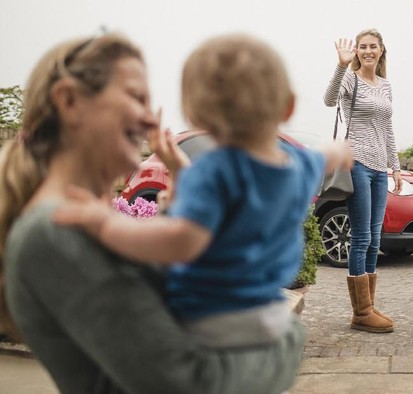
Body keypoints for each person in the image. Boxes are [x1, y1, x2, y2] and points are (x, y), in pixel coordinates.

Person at [0, 32, 327, 394]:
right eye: (137, 97)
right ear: (70, 100)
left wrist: (186, 197)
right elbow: (189, 383)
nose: (147, 118)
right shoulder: (54, 232)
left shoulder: (79, 221)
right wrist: (289, 337)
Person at [53, 32, 352, 350]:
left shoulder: (212, 173)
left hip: (210, 321)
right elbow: (326, 157)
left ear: (193, 114)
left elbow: (180, 241)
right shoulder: (298, 165)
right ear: (288, 107)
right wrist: (339, 150)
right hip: (267, 317)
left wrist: (105, 224)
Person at [323, 28, 402, 333]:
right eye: (362, 47)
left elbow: (388, 129)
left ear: (382, 50)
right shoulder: (350, 78)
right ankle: (361, 312)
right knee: (361, 238)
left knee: (375, 238)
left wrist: (395, 167)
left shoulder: (385, 85)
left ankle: (367, 306)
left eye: (373, 46)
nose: (368, 51)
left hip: (380, 168)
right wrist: (342, 65)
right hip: (356, 163)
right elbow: (329, 100)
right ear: (356, 51)